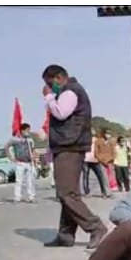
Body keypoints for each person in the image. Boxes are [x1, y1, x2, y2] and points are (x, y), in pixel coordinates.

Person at [42, 65, 107, 248]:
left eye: (50, 83)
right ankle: (65, 235)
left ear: (59, 77)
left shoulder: (70, 92)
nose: (49, 86)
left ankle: (95, 227)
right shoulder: (69, 91)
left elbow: (61, 113)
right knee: (67, 193)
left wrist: (48, 96)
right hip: (69, 145)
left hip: (69, 146)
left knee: (66, 193)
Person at [6, 122, 38, 203]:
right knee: (19, 181)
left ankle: (31, 197)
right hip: (20, 163)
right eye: (27, 130)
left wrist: (34, 158)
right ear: (22, 131)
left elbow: (33, 150)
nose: (28, 132)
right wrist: (10, 157)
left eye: (29, 130)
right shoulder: (14, 139)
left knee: (30, 180)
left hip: (29, 163)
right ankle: (17, 197)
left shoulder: (30, 140)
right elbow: (6, 146)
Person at [88, 129, 114, 199]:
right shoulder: (98, 142)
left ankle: (109, 193)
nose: (108, 135)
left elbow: (113, 152)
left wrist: (109, 159)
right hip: (101, 162)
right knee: (103, 178)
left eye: (109, 134)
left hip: (109, 161)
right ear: (104, 134)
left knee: (110, 178)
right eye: (107, 133)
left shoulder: (111, 142)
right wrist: (102, 161)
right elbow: (96, 153)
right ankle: (105, 193)